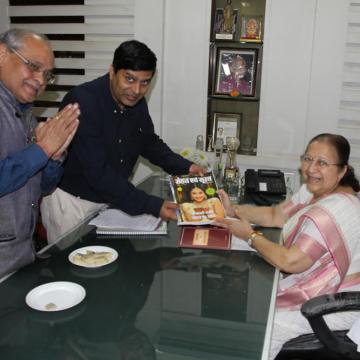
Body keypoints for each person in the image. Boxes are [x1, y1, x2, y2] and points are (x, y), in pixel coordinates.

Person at [41, 40, 204, 243]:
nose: (136, 90)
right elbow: (98, 173)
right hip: (72, 204)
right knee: (72, 270)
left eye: (145, 82)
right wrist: (155, 206)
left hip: (111, 200)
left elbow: (149, 142)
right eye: (129, 79)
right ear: (112, 71)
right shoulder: (82, 102)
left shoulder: (136, 103)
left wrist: (186, 167)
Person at [215, 133, 360, 359]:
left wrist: (250, 236)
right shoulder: (314, 190)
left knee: (265, 328)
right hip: (307, 280)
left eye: (322, 163)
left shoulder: (339, 209)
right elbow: (276, 215)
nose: (311, 169)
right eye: (308, 159)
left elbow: (290, 261)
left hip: (335, 302)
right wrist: (233, 210)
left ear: (342, 171)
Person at [0, 28, 80, 278]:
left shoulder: (25, 113)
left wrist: (54, 157)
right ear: (2, 53)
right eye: (33, 66)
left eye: (47, 75)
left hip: (19, 258)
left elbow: (42, 187)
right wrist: (42, 149)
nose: (41, 80)